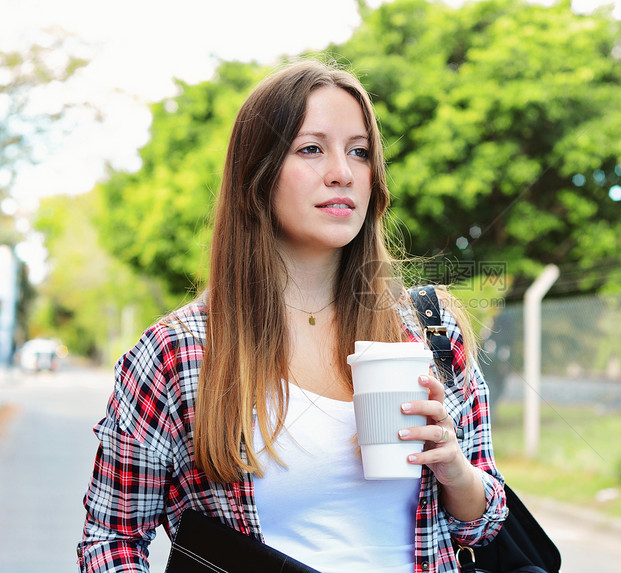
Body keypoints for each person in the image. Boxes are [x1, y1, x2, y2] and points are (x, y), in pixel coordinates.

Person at [76, 59, 507, 573]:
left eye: (359, 152)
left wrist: (455, 469)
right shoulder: (178, 354)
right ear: (257, 175)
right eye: (311, 148)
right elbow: (111, 538)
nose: (342, 172)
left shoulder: (430, 330)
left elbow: (486, 522)